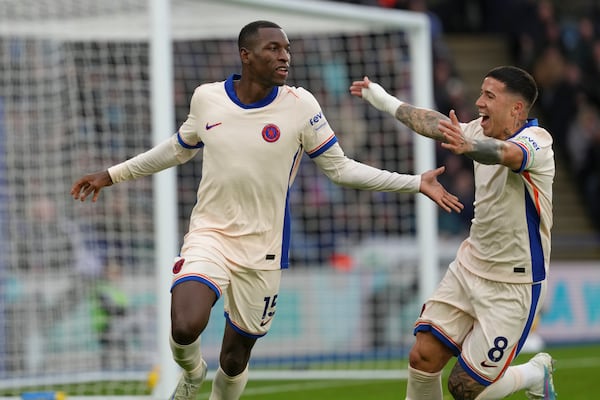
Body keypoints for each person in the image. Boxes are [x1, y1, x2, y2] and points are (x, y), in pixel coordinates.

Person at [71, 20, 463, 400]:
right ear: (246, 55)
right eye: (273, 48)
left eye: (287, 49)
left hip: (264, 251)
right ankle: (191, 373)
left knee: (234, 358)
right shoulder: (207, 98)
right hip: (211, 235)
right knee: (185, 324)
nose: (284, 56)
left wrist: (414, 181)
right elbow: (177, 148)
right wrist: (112, 174)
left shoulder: (300, 105)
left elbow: (340, 169)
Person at [350, 65, 556, 400]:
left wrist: (470, 147)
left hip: (512, 285)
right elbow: (432, 122)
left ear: (516, 108)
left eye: (489, 96)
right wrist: (384, 100)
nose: (479, 102)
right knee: (422, 356)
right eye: (481, 93)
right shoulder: (475, 130)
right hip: (468, 267)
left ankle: (535, 372)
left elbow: (505, 154)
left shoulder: (537, 142)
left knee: (464, 389)